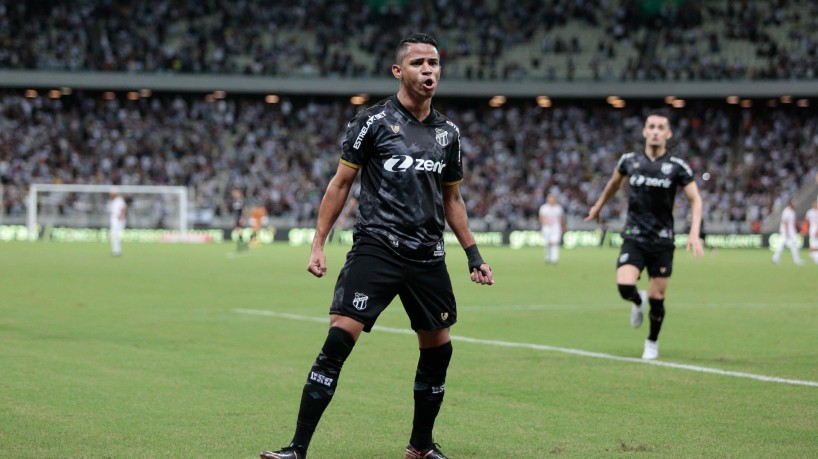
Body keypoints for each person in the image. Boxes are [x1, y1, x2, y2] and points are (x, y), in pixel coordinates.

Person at [260, 33, 494, 459]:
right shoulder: (373, 122)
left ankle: (420, 446)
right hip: (378, 247)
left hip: (428, 256)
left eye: (435, 63)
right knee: (338, 341)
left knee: (439, 351)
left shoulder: (448, 134)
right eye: (419, 63)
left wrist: (473, 253)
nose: (429, 70)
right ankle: (296, 449)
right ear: (398, 71)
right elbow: (341, 184)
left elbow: (453, 199)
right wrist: (318, 242)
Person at [585, 112, 704, 360]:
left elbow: (695, 199)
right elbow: (613, 185)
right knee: (624, 285)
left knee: (658, 297)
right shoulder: (629, 161)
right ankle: (637, 301)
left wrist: (694, 233)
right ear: (644, 131)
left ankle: (652, 342)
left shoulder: (677, 167)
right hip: (634, 236)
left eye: (661, 127)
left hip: (662, 240)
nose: (656, 131)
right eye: (651, 126)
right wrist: (598, 206)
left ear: (668, 134)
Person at [772, 199, 804, 265]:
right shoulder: (786, 211)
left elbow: (793, 222)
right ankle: (796, 260)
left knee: (785, 245)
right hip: (787, 231)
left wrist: (799, 228)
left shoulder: (792, 211)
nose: (795, 203)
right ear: (790, 203)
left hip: (791, 231)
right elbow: (785, 222)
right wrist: (786, 232)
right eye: (794, 202)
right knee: (788, 245)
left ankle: (775, 258)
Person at [538, 193, 566, 263]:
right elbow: (541, 218)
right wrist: (543, 224)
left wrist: (563, 227)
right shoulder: (543, 208)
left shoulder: (558, 208)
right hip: (547, 227)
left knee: (555, 242)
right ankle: (547, 257)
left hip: (556, 227)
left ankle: (555, 258)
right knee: (547, 243)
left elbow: (561, 218)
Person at [108, 188, 127, 256]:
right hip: (114, 219)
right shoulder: (113, 201)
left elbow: (124, 208)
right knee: (114, 236)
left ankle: (117, 251)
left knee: (116, 235)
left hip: (117, 220)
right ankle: (116, 250)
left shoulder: (119, 200)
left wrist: (121, 216)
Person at [231, 187, 248, 251]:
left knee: (240, 231)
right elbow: (235, 212)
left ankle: (243, 245)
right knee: (238, 231)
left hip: (240, 218)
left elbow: (245, 209)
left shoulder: (242, 201)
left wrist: (243, 218)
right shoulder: (234, 201)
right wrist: (234, 220)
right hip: (237, 218)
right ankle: (242, 246)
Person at [807, 200, 818, 264]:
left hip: (816, 230)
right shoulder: (810, 212)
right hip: (812, 229)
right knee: (813, 245)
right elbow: (807, 221)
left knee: (813, 246)